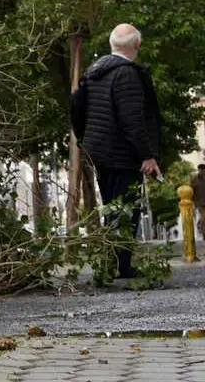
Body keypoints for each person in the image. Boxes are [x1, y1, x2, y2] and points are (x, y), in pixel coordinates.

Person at [75, 23, 162, 279]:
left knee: (112, 208)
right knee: (126, 210)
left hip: (97, 152)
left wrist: (84, 141)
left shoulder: (93, 72)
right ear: (137, 46)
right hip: (121, 154)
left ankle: (110, 263)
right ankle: (122, 266)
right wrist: (147, 155)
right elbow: (132, 119)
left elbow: (77, 110)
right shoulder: (126, 74)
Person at [191, 164, 205, 240]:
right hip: (200, 204)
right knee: (203, 219)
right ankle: (204, 235)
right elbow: (191, 192)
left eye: (203, 170)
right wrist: (193, 204)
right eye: (200, 170)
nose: (201, 171)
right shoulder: (194, 179)